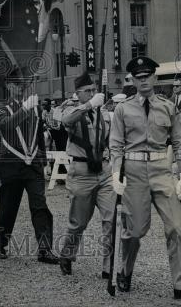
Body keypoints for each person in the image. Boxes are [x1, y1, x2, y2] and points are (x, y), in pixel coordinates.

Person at [109, 56, 181, 303]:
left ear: (155, 77)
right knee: (134, 230)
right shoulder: (122, 109)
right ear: (133, 80)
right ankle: (125, 270)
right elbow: (116, 145)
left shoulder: (168, 107)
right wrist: (116, 173)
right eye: (138, 77)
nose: (144, 81)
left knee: (176, 228)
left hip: (162, 169)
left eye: (147, 76)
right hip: (134, 172)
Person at [0, 80, 58, 264]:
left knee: (40, 206)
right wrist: (24, 109)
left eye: (23, 84)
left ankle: (45, 250)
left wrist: (43, 159)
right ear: (7, 85)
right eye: (16, 84)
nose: (20, 88)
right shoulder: (2, 107)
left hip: (33, 165)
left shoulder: (35, 107)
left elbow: (39, 135)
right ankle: (0, 243)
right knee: (8, 207)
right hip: (12, 164)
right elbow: (6, 127)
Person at [58, 72, 114, 278]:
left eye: (94, 90)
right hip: (81, 173)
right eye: (87, 91)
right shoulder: (71, 109)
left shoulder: (104, 113)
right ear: (78, 93)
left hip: (104, 172)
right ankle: (67, 255)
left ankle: (109, 267)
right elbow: (66, 121)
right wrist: (89, 105)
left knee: (111, 220)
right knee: (78, 222)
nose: (92, 93)